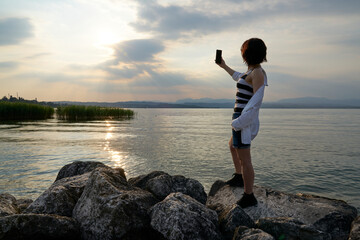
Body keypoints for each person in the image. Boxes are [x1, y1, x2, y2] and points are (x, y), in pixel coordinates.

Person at [216, 38, 268, 208]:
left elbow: (257, 101)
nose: (242, 53)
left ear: (248, 53)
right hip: (239, 117)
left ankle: (249, 195)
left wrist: (240, 122)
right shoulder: (250, 72)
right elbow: (237, 76)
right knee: (232, 146)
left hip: (244, 119)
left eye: (243, 51)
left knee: (245, 159)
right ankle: (239, 176)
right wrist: (223, 66)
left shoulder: (258, 73)